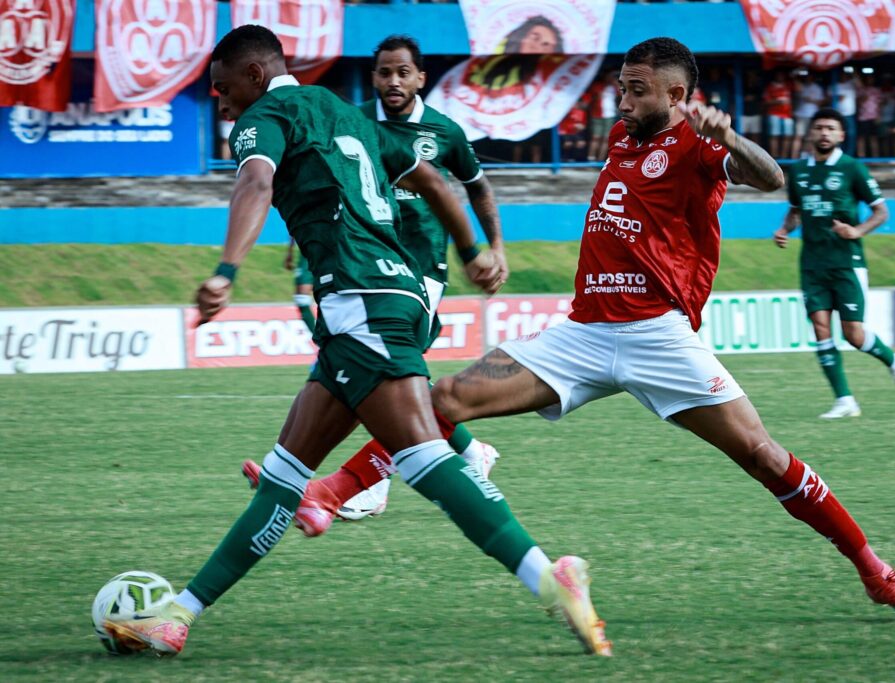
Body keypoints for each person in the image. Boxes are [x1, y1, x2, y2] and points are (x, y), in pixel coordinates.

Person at [312, 38, 895, 624]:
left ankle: (875, 572)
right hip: (584, 332)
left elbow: (770, 177)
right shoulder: (622, 136)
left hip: (659, 335)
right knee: (446, 398)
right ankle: (334, 490)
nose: (624, 99)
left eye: (637, 89)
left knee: (763, 456)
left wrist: (730, 137)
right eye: (621, 86)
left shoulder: (699, 143)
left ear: (676, 96)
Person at [103, 25, 611, 658]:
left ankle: (547, 574)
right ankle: (178, 616)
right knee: (286, 476)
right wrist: (475, 252)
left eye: (223, 84)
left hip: (361, 299)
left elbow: (255, 184)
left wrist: (226, 272)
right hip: (381, 297)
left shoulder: (267, 115)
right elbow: (432, 183)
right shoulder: (344, 112)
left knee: (424, 460)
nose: (218, 96)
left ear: (256, 75)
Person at [244, 34, 510, 534]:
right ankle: (468, 452)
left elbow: (476, 186)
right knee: (384, 377)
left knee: (381, 374)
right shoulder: (355, 120)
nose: (393, 81)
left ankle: (357, 486)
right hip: (367, 264)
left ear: (420, 78)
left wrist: (491, 247)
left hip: (422, 271)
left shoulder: (444, 132)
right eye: (384, 72)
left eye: (403, 72)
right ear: (373, 76)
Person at [773, 107, 895, 419]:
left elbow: (881, 211)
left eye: (830, 128)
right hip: (812, 263)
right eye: (819, 127)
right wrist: (785, 229)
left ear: (841, 135)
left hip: (847, 262)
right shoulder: (797, 171)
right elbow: (796, 209)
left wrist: (857, 230)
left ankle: (894, 361)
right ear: (811, 133)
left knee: (853, 333)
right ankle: (845, 400)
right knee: (821, 328)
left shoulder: (853, 169)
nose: (824, 133)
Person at [284, 238, 315, 335]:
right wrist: (290, 251)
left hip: (333, 249)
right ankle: (321, 340)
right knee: (301, 298)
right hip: (308, 252)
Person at [588, 69, 619, 161]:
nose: (611, 78)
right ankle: (591, 159)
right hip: (597, 114)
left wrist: (616, 84)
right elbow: (597, 96)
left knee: (606, 139)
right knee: (596, 138)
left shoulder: (615, 86)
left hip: (610, 115)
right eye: (610, 76)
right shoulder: (598, 85)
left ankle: (600, 160)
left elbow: (622, 94)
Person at [763, 70, 794, 158]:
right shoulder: (770, 87)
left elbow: (799, 89)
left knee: (787, 136)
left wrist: (793, 75)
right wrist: (777, 101)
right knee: (774, 136)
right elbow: (765, 102)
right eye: (779, 75)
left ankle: (784, 156)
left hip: (787, 115)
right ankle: (775, 156)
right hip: (774, 114)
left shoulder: (788, 85)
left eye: (782, 75)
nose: (781, 77)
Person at [856, 73, 882, 159]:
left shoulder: (877, 90)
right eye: (868, 78)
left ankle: (875, 158)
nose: (870, 80)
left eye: (871, 78)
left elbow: (880, 104)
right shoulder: (860, 90)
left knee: (873, 138)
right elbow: (858, 103)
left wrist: (879, 115)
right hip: (863, 117)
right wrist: (863, 97)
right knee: (861, 138)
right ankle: (861, 157)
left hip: (873, 117)